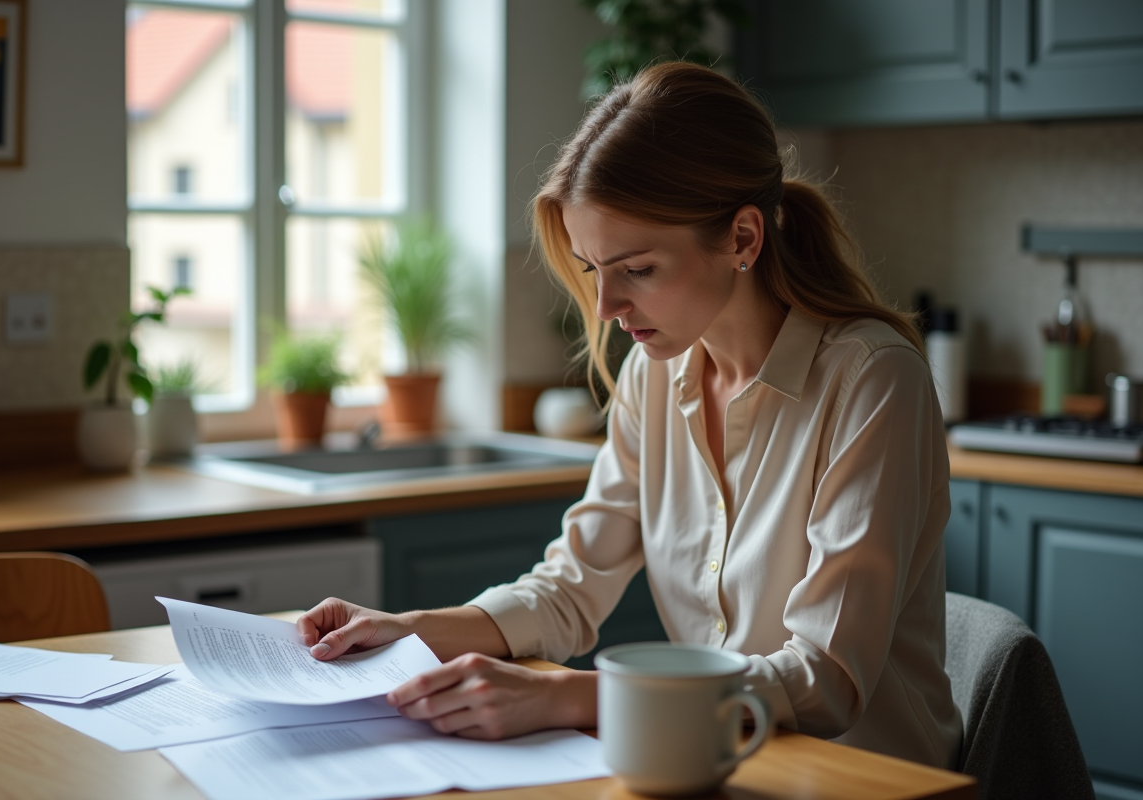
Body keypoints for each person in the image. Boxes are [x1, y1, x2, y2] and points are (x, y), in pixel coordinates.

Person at [298, 61, 963, 769]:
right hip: (711, 762)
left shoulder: (872, 379)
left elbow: (826, 677)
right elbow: (570, 589)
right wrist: (408, 631)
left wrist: (568, 698)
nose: (609, 309)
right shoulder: (656, 375)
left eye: (637, 270)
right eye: (594, 270)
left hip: (867, 780)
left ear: (742, 239)